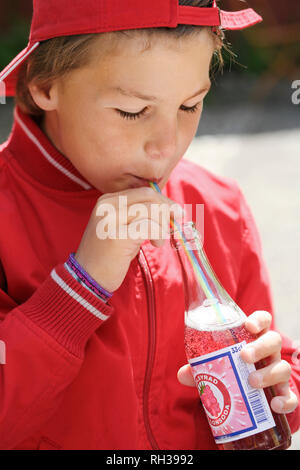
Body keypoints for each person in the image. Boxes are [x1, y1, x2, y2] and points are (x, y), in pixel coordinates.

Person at [0, 0, 299, 451]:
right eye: (131, 111)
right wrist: (81, 287)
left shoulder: (216, 205)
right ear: (45, 84)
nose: (166, 148)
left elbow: (275, 371)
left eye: (190, 105)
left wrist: (278, 388)